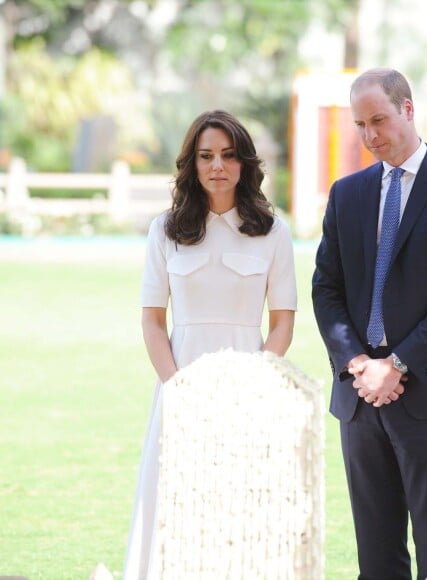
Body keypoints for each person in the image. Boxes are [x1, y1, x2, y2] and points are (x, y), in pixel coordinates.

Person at [312, 68, 427, 580]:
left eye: (379, 120)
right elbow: (326, 289)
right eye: (360, 125)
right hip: (360, 398)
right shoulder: (346, 195)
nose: (370, 136)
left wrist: (396, 365)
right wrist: (358, 364)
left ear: (408, 110)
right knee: (376, 560)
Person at [123, 109, 297, 579]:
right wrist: (179, 389)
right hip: (179, 391)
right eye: (206, 156)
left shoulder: (274, 233)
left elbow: (282, 322)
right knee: (172, 503)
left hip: (249, 394)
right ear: (192, 164)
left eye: (227, 155)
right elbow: (153, 321)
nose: (217, 166)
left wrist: (251, 382)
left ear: (243, 164)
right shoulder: (165, 231)